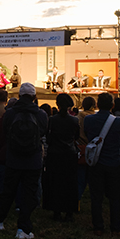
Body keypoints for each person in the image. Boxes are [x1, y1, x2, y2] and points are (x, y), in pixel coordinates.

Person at [0, 83, 48, 239]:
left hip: (13, 158)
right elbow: (42, 131)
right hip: (33, 159)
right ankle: (24, 228)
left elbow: (6, 132)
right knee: (29, 194)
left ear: (19, 96)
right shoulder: (41, 114)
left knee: (8, 191)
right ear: (34, 97)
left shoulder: (10, 114)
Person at [84, 93, 120, 235]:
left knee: (96, 197)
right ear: (112, 106)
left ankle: (98, 226)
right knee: (115, 197)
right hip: (114, 162)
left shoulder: (89, 120)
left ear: (97, 104)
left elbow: (87, 135)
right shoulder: (119, 122)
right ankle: (116, 227)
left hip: (96, 162)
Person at [42, 93, 79, 222]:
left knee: (55, 182)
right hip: (69, 153)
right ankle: (69, 211)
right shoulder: (74, 120)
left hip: (55, 153)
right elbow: (77, 136)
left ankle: (56, 210)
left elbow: (48, 136)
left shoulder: (52, 120)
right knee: (70, 183)